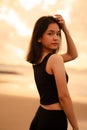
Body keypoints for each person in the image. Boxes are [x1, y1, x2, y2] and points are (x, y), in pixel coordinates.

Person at [26, 14, 79, 130]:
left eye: (58, 34)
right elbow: (64, 96)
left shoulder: (38, 59)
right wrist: (75, 126)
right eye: (50, 34)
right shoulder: (55, 59)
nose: (56, 38)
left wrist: (65, 29)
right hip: (53, 120)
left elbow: (72, 55)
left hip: (41, 116)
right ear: (39, 37)